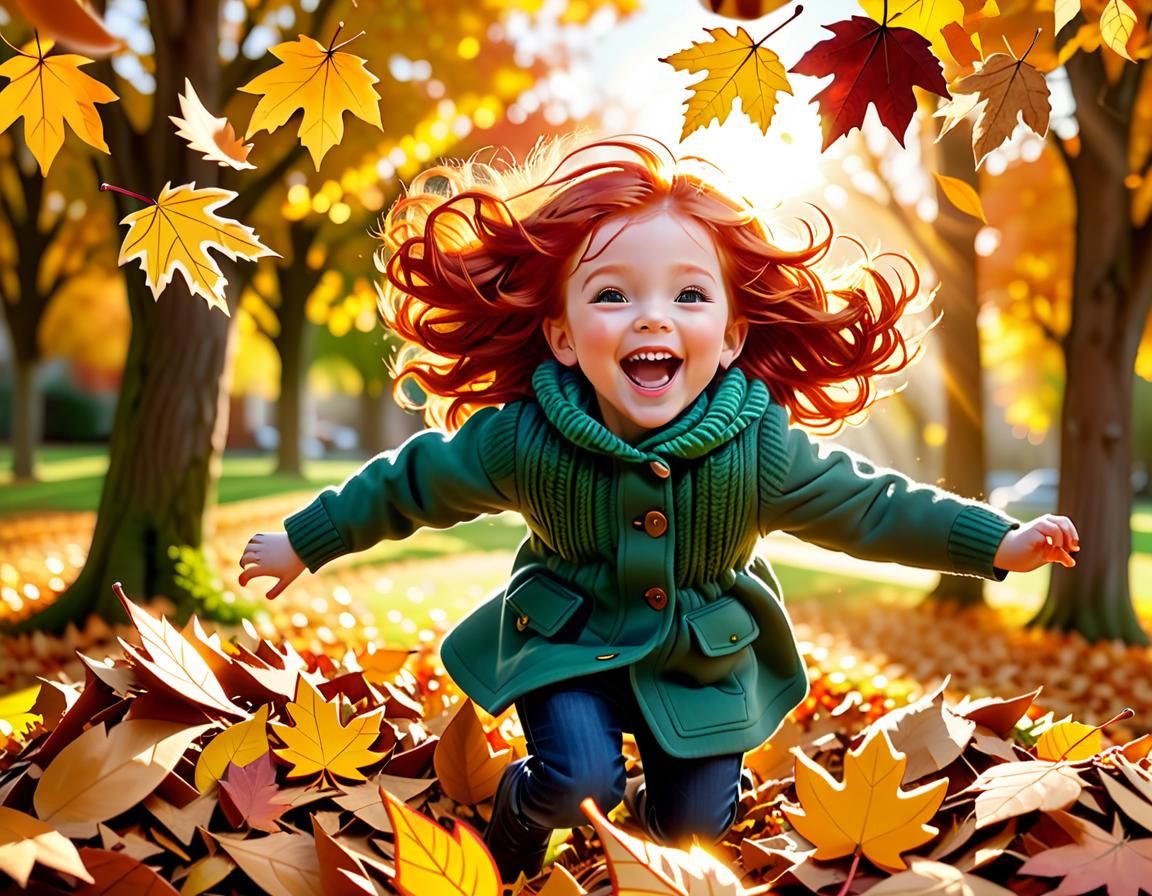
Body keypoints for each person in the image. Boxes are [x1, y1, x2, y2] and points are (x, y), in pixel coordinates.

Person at [238, 135, 1079, 883]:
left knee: (691, 833)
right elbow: (409, 483)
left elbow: (873, 507)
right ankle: (517, 825)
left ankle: (657, 834)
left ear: (734, 332)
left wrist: (997, 540)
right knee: (578, 782)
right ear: (564, 334)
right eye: (610, 296)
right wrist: (304, 541)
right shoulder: (524, 440)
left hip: (703, 661)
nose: (652, 317)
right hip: (565, 644)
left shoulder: (761, 451)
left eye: (689, 296)